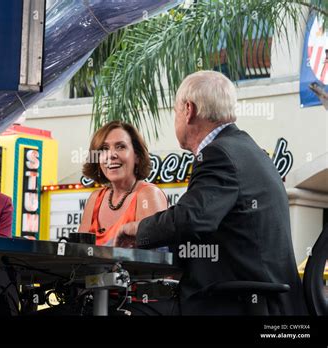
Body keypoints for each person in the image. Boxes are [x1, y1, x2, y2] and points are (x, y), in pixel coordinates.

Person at [115, 70, 307, 315]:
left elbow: (191, 218)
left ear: (188, 109)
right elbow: (217, 229)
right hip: (266, 302)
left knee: (113, 310)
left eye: (174, 111)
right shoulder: (248, 150)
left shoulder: (219, 154)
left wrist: (134, 228)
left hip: (233, 305)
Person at [78, 121, 168, 246]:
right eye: (104, 149)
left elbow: (156, 257)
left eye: (120, 147)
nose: (111, 155)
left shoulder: (148, 195)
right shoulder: (95, 199)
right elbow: (79, 255)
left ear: (137, 156)